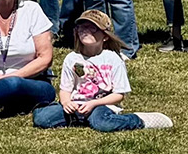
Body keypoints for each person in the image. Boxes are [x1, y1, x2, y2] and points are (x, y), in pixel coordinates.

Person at [32, 10, 174, 131]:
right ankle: (79, 120)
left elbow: (119, 95)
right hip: (76, 105)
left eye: (92, 28)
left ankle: (138, 120)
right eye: (82, 27)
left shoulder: (113, 59)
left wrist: (93, 103)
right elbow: (65, 90)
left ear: (105, 36)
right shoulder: (71, 58)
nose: (86, 31)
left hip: (101, 105)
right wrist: (66, 103)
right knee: (42, 118)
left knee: (103, 124)